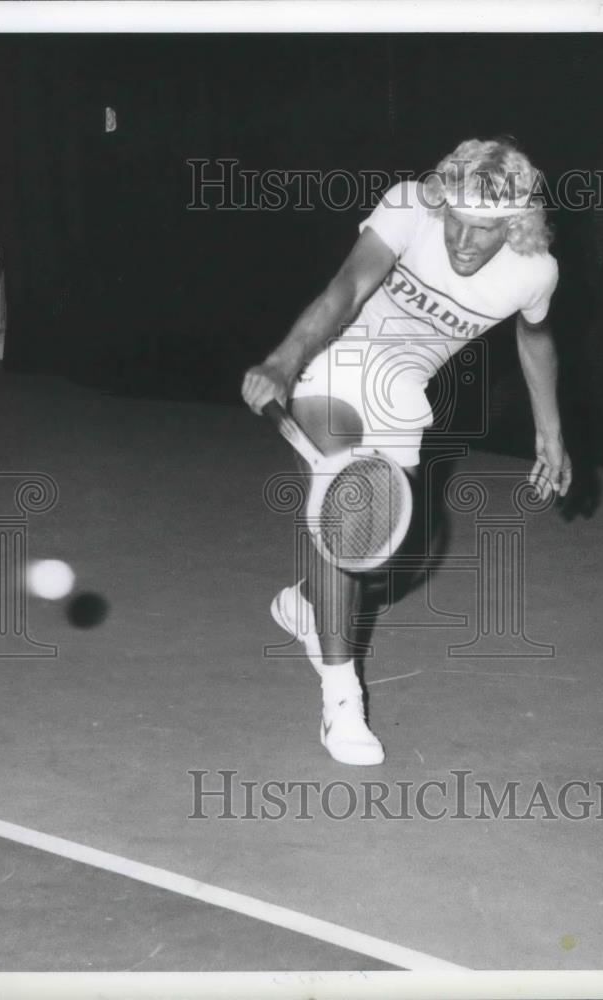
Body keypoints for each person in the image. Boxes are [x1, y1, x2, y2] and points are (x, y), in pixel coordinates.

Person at [242, 137, 572, 766]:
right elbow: (345, 287)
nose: (464, 243)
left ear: (517, 224)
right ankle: (342, 701)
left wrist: (550, 431)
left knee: (391, 560)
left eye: (485, 230)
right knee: (347, 517)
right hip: (334, 369)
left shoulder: (535, 272)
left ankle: (305, 603)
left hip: (401, 397)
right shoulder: (406, 210)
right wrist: (284, 362)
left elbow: (535, 339)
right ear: (442, 205)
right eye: (457, 223)